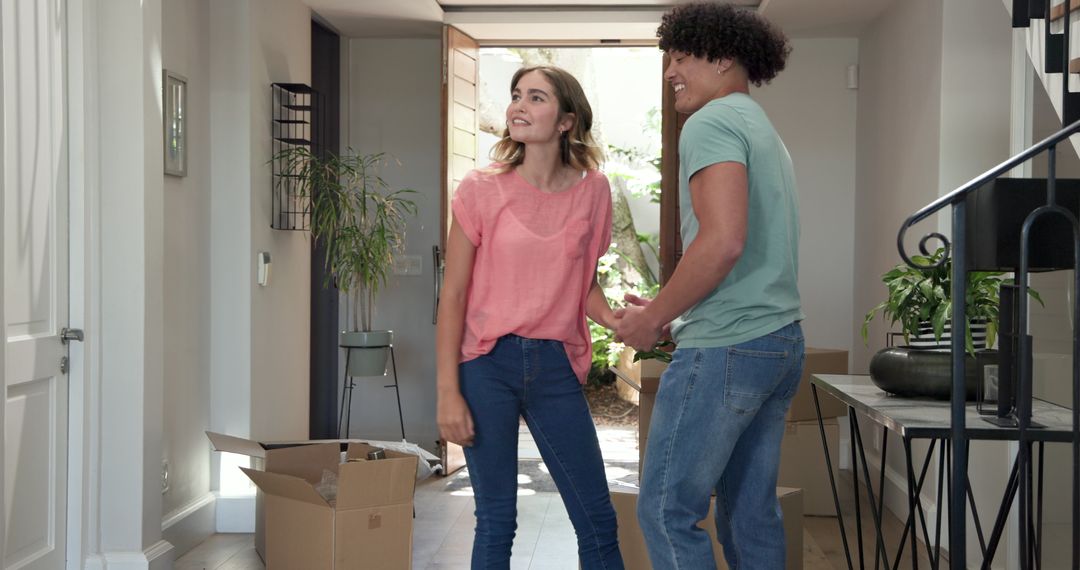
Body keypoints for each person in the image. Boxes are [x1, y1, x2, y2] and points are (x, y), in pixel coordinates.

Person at [615, 3, 804, 568]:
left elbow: (722, 242)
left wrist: (651, 320)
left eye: (681, 57)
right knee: (749, 514)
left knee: (666, 512)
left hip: (728, 348)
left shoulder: (711, 121)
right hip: (777, 341)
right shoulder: (759, 125)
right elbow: (749, 252)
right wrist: (673, 310)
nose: (670, 70)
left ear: (723, 58)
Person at [435, 65, 624, 570]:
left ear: (566, 120)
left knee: (597, 520)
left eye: (535, 98)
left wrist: (619, 320)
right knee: (497, 520)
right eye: (516, 96)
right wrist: (447, 391)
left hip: (555, 364)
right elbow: (452, 296)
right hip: (485, 364)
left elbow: (582, 280)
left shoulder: (594, 191)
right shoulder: (480, 189)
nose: (518, 106)